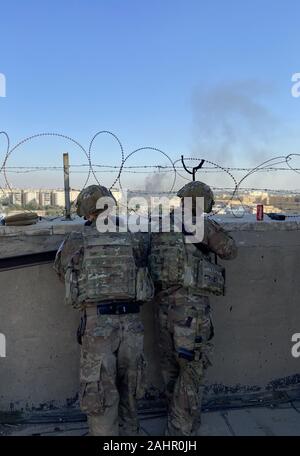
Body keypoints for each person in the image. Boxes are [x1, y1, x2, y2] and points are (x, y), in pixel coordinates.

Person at [54, 185, 153, 436]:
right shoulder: (133, 235)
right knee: (130, 393)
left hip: (98, 326)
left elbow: (61, 269)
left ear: (87, 210)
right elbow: (142, 263)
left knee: (99, 394)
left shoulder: (77, 240)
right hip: (132, 324)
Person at [149, 181, 237, 436]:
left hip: (163, 309)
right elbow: (230, 250)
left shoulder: (161, 224)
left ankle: (179, 421)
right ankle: (180, 433)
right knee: (191, 372)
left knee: (171, 370)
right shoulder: (201, 225)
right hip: (191, 312)